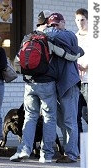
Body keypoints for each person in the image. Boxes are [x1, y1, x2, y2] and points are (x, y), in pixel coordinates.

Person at [10, 10, 58, 163]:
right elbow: (63, 54)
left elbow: (17, 60)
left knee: (30, 117)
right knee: (49, 118)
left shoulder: (27, 37)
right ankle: (47, 155)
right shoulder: (51, 37)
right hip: (47, 83)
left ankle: (24, 150)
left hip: (30, 84)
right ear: (48, 22)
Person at [44, 12, 84, 163]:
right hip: (57, 85)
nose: (55, 27)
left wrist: (45, 28)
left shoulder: (69, 36)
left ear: (63, 23)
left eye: (56, 24)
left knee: (70, 121)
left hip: (69, 84)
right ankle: (67, 151)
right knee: (61, 122)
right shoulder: (52, 37)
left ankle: (72, 154)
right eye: (52, 24)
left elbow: (58, 35)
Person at [75, 8, 88, 152]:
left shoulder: (94, 36)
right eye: (77, 20)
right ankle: (79, 149)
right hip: (76, 82)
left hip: (90, 81)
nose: (80, 23)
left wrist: (87, 65)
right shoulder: (74, 36)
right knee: (76, 116)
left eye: (82, 20)